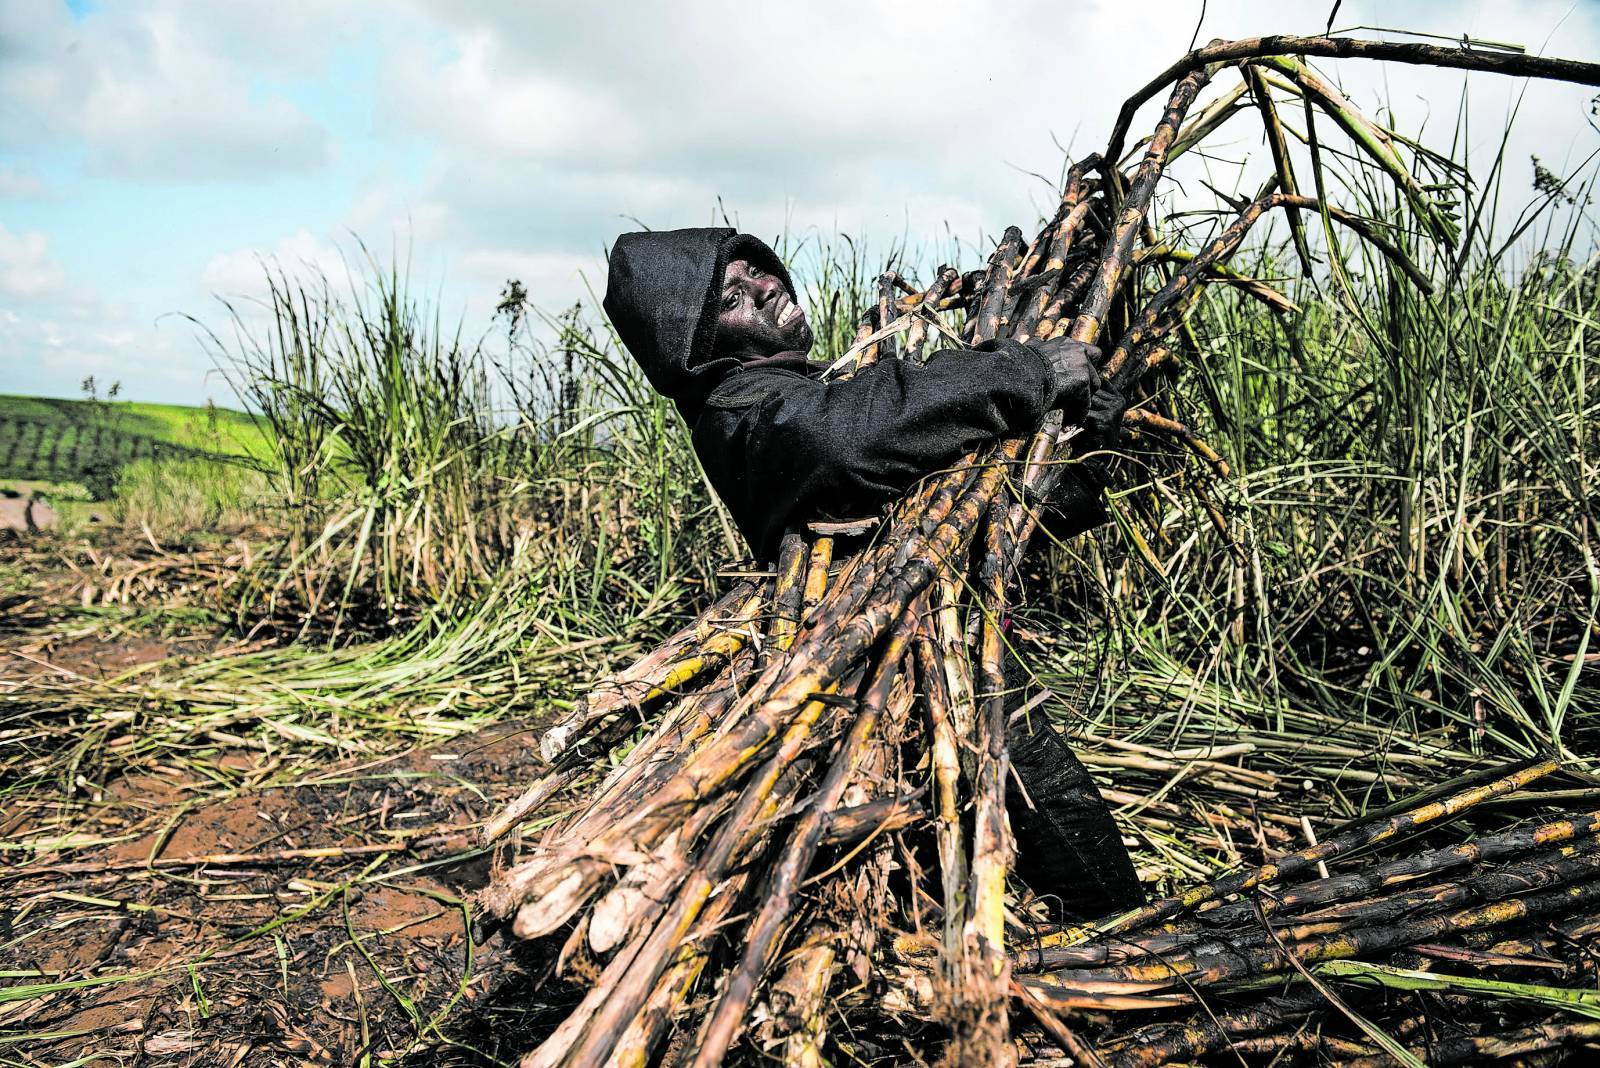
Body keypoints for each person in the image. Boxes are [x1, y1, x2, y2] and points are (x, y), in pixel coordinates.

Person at [603, 226, 1143, 919]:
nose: (767, 289)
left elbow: (993, 505)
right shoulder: (739, 415)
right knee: (1049, 812)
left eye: (756, 272)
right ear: (703, 349)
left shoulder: (809, 386)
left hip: (951, 642)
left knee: (1029, 814)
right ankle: (1115, 945)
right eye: (734, 299)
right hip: (903, 669)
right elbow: (840, 439)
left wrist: (1084, 434)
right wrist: (1025, 372)